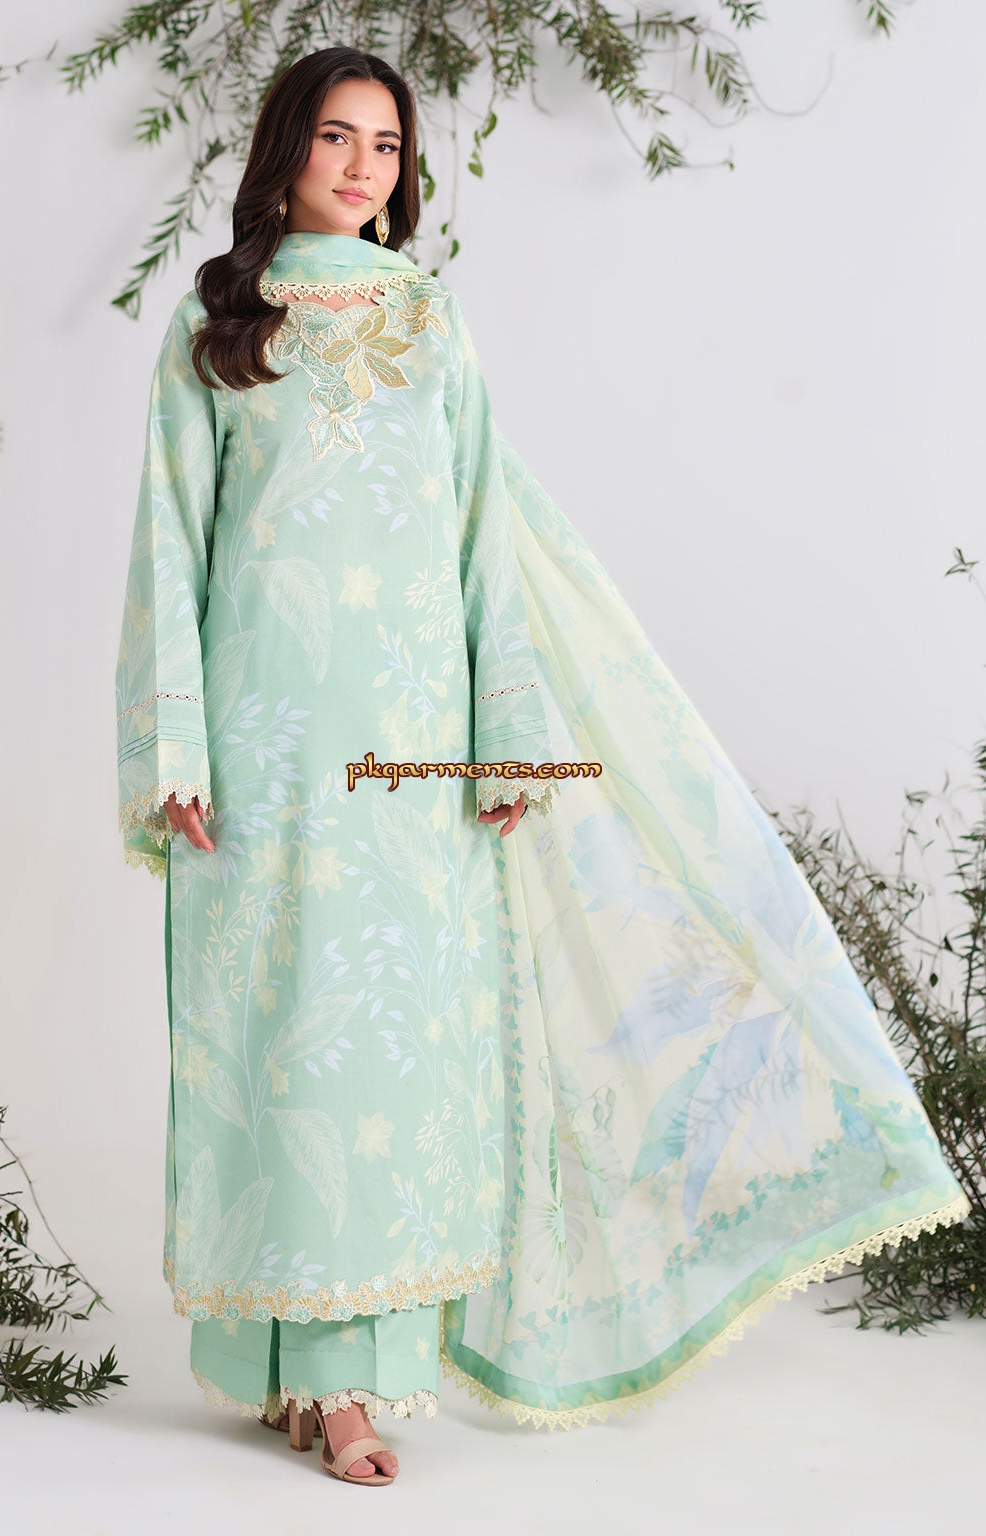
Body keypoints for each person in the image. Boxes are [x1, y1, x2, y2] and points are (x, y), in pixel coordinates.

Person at [115, 44, 969, 1484]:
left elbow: (481, 541)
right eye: (337, 137)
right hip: (270, 752)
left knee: (390, 1059)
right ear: (285, 149)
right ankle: (287, 1367)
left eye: (388, 146)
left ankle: (352, 1384)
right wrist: (176, 750)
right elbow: (168, 547)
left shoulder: (430, 321)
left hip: (414, 759)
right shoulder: (220, 326)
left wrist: (507, 736)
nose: (364, 167)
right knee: (282, 1051)